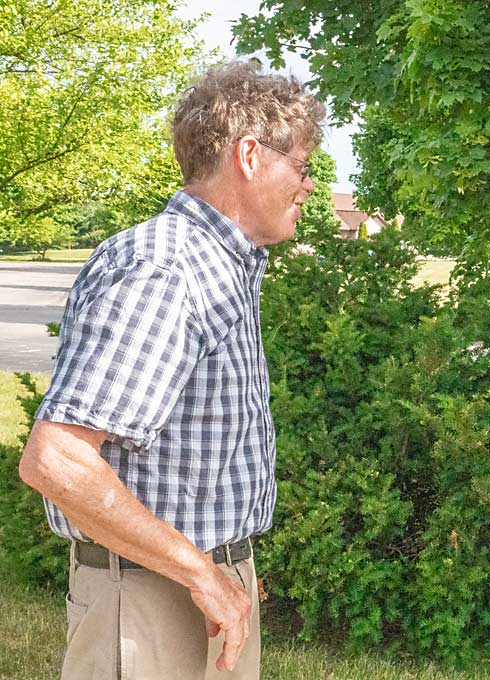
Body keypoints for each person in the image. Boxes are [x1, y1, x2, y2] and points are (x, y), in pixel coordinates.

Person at [18, 61, 324, 679]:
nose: (310, 185)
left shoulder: (219, 266)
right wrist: (200, 572)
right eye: (303, 166)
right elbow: (57, 461)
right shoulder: (167, 269)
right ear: (249, 155)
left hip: (195, 589)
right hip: (154, 606)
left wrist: (224, 570)